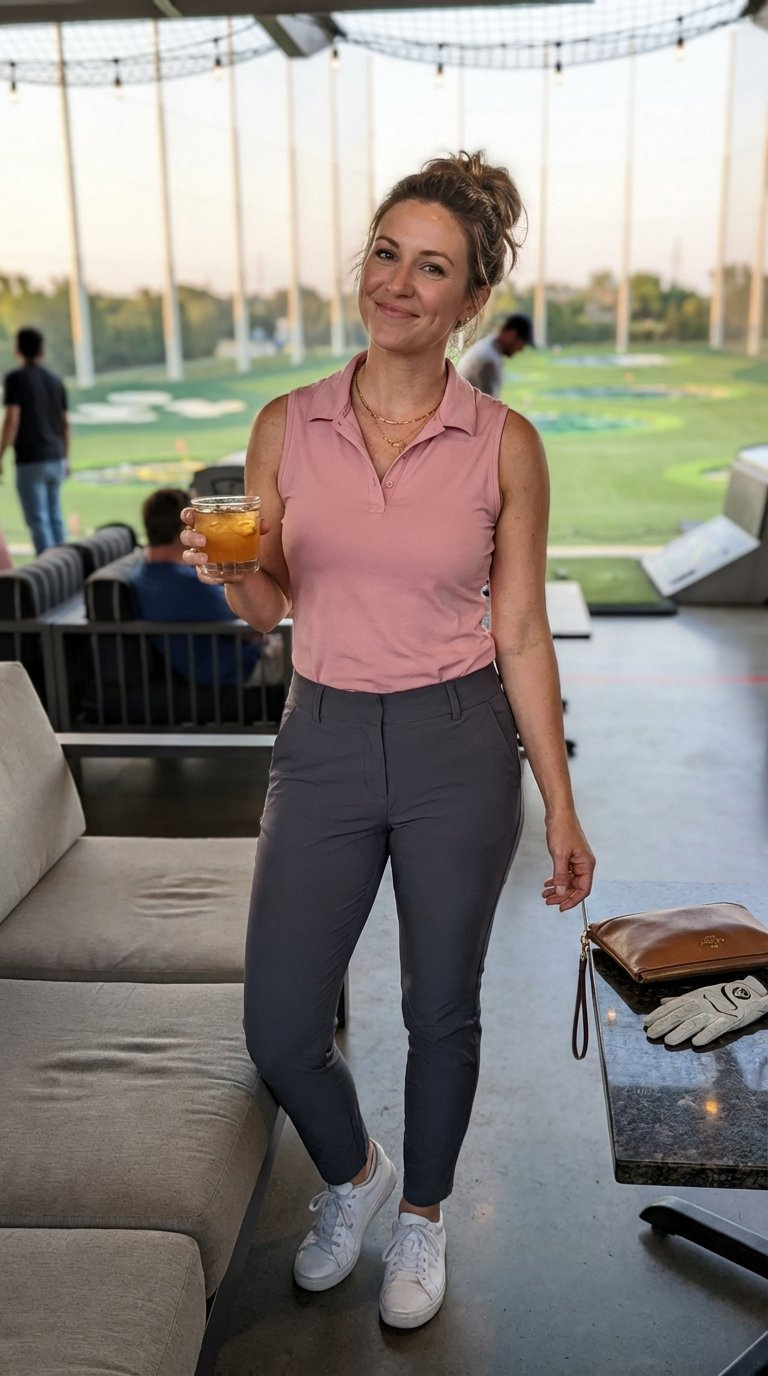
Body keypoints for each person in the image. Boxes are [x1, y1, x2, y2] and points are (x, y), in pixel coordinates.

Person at [181, 151, 595, 1331]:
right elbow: (268, 607)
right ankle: (355, 1172)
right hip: (319, 736)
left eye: (433, 268)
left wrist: (561, 805)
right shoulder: (286, 425)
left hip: (457, 741)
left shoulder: (502, 443)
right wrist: (232, 570)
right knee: (279, 1025)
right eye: (385, 253)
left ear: (470, 302)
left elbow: (518, 630)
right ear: (361, 264)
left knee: (440, 1008)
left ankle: (423, 1213)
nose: (399, 284)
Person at [132, 487, 261, 687]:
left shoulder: (145, 571)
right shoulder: (186, 584)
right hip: (239, 669)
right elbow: (254, 628)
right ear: (182, 531)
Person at [0, 327, 69, 554]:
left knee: (38, 521)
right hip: (55, 456)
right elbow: (64, 424)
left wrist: (0, 454)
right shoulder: (54, 380)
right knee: (56, 518)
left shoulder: (15, 379)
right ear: (42, 350)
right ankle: (67, 569)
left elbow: (12, 421)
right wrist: (65, 458)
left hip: (30, 460)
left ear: (18, 349)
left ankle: (50, 576)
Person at [456, 311, 535, 398]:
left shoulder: (489, 348)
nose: (521, 349)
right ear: (512, 334)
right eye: (522, 343)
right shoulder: (489, 359)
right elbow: (488, 406)